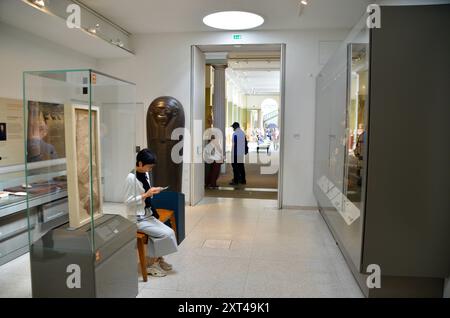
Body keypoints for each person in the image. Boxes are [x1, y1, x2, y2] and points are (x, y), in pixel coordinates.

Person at [124, 149, 178, 277]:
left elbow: (146, 195)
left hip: (148, 214)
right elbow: (128, 201)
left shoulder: (144, 174)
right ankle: (152, 264)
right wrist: (146, 195)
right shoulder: (131, 178)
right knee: (164, 234)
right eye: (149, 167)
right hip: (137, 218)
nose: (150, 169)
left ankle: (157, 260)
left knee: (170, 232)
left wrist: (152, 192)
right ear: (140, 163)